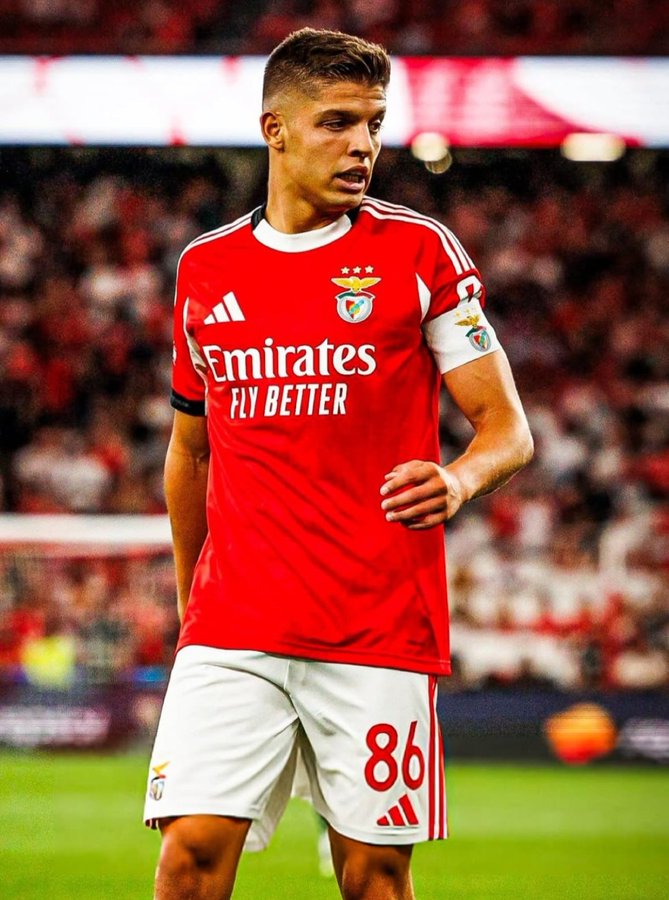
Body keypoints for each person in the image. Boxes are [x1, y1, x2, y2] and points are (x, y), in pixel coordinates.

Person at [144, 27, 533, 900]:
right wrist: (191, 607)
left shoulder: (419, 253)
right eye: (336, 122)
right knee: (187, 861)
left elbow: (507, 429)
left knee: (372, 879)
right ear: (274, 130)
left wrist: (459, 478)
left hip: (376, 627)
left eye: (373, 124)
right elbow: (190, 450)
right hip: (233, 624)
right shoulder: (205, 268)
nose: (362, 145)